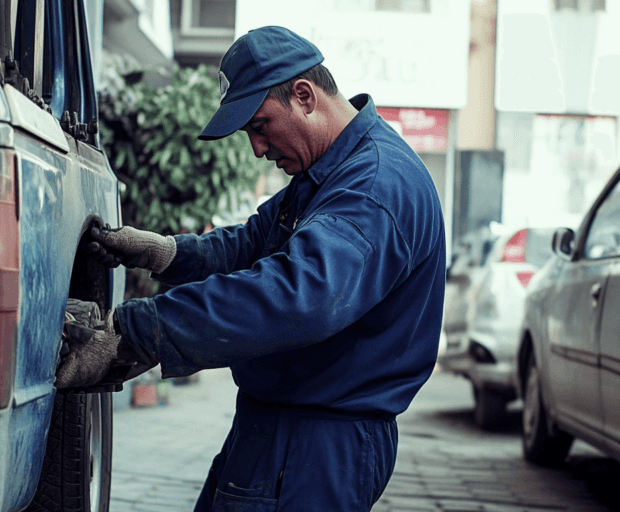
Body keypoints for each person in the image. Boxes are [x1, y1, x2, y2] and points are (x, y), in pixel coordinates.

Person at [56, 26, 446, 511]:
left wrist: (137, 331)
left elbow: (296, 296)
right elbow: (253, 244)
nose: (257, 149)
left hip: (317, 446)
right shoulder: (326, 174)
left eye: (260, 126)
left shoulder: (374, 185)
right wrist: (165, 252)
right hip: (280, 428)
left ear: (304, 96)